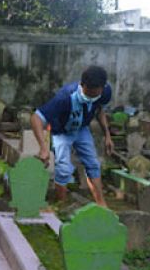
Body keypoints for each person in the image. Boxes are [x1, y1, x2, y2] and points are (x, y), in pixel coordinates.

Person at [30, 65, 114, 207]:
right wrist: (43, 147)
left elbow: (99, 110)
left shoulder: (105, 92)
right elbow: (36, 118)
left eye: (95, 95)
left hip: (82, 129)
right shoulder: (64, 98)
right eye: (88, 94)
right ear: (82, 85)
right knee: (63, 168)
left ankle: (102, 205)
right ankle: (61, 205)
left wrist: (107, 135)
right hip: (62, 131)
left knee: (93, 164)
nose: (91, 98)